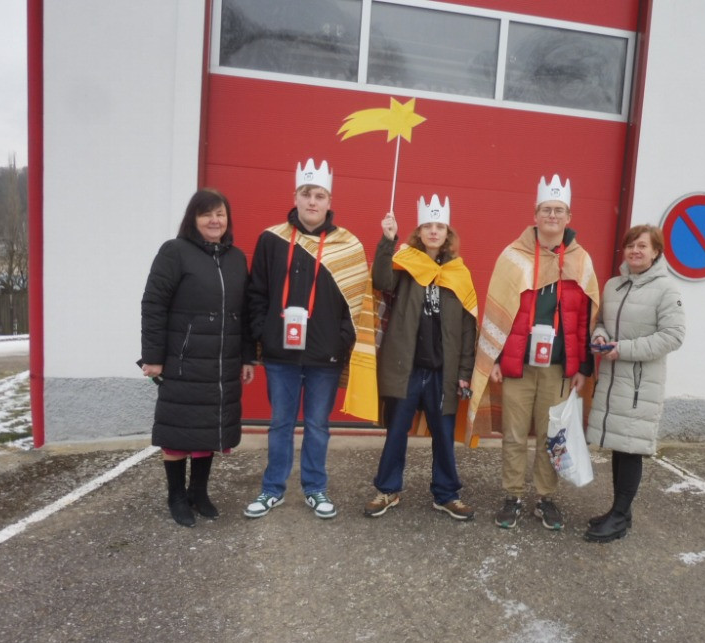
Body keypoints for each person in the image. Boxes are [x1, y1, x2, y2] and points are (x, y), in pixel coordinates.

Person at [465, 175, 600, 530]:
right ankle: (512, 496)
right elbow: (498, 311)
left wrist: (583, 367)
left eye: (559, 210)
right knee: (513, 435)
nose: (552, 215)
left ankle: (545, 497)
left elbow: (585, 319)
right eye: (546, 209)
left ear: (569, 217)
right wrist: (494, 358)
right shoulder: (513, 257)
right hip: (518, 365)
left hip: (558, 368)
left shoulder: (581, 261)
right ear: (535, 214)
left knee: (550, 435)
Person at [244, 159, 369, 520]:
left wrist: (339, 341)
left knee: (317, 426)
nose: (312, 201)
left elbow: (357, 303)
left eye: (319, 195)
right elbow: (256, 293)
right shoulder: (272, 239)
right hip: (280, 353)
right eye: (306, 194)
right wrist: (264, 334)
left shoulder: (347, 245)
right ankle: (272, 489)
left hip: (323, 357)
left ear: (329, 201)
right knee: (280, 424)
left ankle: (315, 488)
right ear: (295, 197)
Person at [140, 188, 255, 527]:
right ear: (193, 218)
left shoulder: (237, 258)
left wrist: (248, 357)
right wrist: (153, 357)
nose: (214, 220)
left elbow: (246, 313)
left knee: (209, 428)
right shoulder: (174, 252)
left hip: (222, 363)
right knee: (177, 431)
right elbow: (153, 305)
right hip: (183, 360)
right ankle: (176, 496)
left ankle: (199, 493)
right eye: (207, 214)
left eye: (220, 214)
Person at [365, 196, 479, 521]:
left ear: (447, 232)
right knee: (396, 431)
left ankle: (446, 494)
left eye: (439, 226)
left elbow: (468, 328)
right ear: (419, 231)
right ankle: (387, 489)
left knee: (443, 435)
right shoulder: (406, 264)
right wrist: (387, 241)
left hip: (443, 371)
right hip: (408, 368)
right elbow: (381, 280)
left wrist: (464, 371)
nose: (433, 231)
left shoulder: (459, 273)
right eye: (427, 225)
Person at [584, 224, 685, 543]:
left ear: (656, 252)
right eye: (630, 245)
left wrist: (623, 349)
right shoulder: (613, 285)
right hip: (614, 380)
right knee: (620, 444)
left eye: (643, 246)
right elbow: (601, 322)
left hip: (641, 385)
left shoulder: (666, 289)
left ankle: (619, 517)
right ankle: (620, 511)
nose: (635, 251)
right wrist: (601, 338)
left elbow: (673, 336)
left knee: (631, 449)